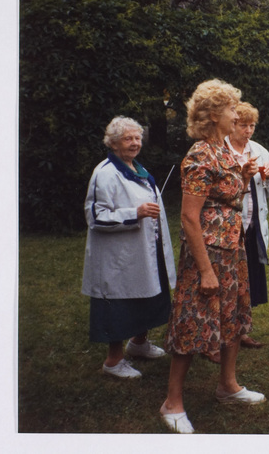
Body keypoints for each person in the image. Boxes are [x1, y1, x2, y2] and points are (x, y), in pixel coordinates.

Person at [161, 79, 264, 434]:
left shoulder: (224, 151)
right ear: (213, 115)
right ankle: (172, 402)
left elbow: (230, 199)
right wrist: (205, 270)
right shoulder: (200, 154)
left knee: (232, 316)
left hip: (232, 249)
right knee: (194, 319)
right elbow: (190, 216)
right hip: (206, 253)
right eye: (232, 108)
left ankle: (228, 386)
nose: (237, 113)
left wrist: (245, 177)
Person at [82, 116, 176, 379]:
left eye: (138, 138)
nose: (135, 143)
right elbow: (96, 216)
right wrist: (135, 213)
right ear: (113, 143)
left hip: (145, 246)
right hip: (119, 254)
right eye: (128, 138)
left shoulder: (137, 169)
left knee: (147, 293)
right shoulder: (106, 173)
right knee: (121, 302)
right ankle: (114, 360)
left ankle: (138, 343)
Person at [226, 101, 269, 351]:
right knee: (228, 280)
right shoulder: (221, 151)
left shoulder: (257, 150)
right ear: (231, 124)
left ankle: (243, 331)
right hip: (228, 226)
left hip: (252, 224)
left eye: (252, 126)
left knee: (248, 277)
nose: (248, 131)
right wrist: (243, 174)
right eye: (243, 125)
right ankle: (221, 337)